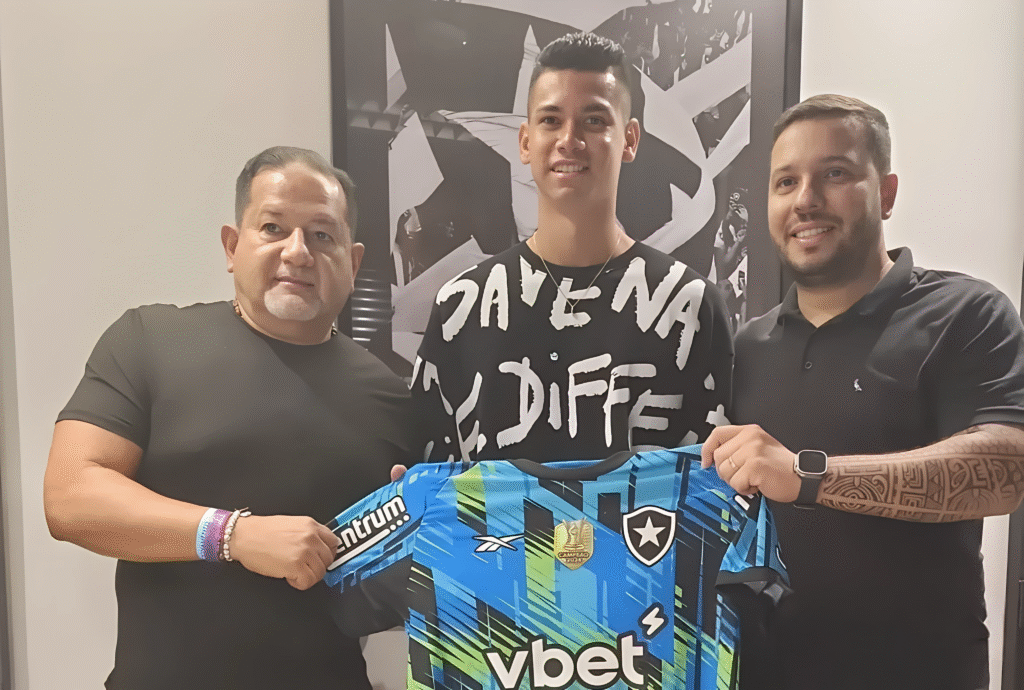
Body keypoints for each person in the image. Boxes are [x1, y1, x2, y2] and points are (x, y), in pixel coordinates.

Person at [43, 146, 412, 690]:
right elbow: (70, 497)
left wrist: (407, 539)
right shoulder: (150, 340)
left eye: (322, 235)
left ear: (353, 264)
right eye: (273, 227)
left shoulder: (393, 397)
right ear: (233, 247)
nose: (298, 251)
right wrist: (233, 536)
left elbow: (393, 595)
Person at [701, 94, 1024, 689]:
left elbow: (1006, 470)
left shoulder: (965, 313)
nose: (806, 200)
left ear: (887, 193)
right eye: (786, 182)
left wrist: (807, 476)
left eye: (835, 174)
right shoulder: (748, 346)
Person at [410, 32, 733, 464]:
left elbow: (712, 484)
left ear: (630, 139)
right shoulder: (461, 307)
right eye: (550, 120)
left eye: (594, 120)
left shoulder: (691, 307)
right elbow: (431, 478)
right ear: (525, 141)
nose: (569, 139)